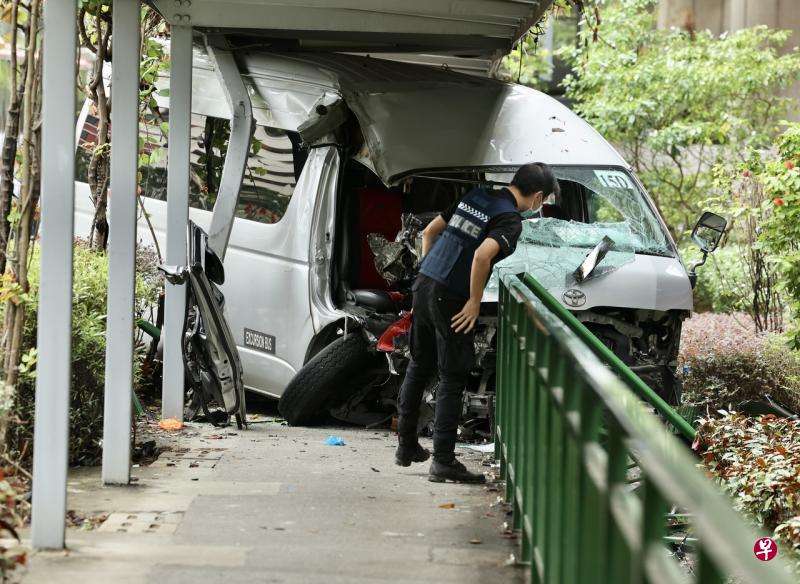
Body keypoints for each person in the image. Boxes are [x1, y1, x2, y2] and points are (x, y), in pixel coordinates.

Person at [394, 162, 558, 483]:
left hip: (425, 282)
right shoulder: (510, 220)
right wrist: (473, 300)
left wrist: (432, 271)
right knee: (453, 376)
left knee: (419, 365)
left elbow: (430, 232)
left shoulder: (476, 196)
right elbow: (483, 255)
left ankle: (407, 446)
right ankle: (442, 461)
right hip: (450, 297)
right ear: (538, 197)